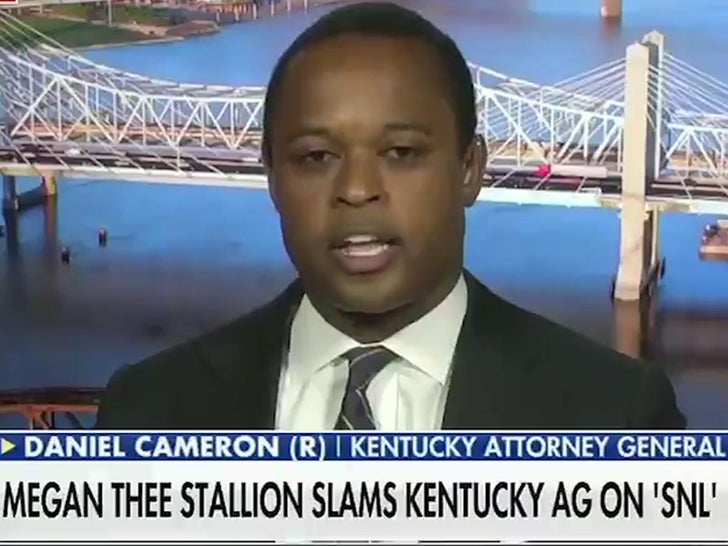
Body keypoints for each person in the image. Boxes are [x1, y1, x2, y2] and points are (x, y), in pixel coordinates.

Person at [95, 1, 685, 430]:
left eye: (402, 153)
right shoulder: (148, 409)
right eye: (316, 157)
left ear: (469, 169)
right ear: (271, 175)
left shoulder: (620, 417)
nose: (357, 191)